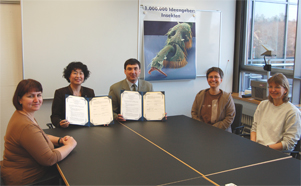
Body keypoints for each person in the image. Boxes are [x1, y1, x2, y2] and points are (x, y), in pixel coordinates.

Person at [1, 79, 77, 185]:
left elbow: (40, 136)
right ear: (19, 99)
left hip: (21, 171)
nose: (37, 100)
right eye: (31, 96)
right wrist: (70, 145)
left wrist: (60, 140)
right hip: (26, 179)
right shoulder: (26, 125)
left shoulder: (24, 114)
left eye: (39, 95)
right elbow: (49, 159)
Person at [251, 73, 301, 151]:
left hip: (276, 153)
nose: (273, 90)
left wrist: (265, 149)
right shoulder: (263, 105)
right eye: (271, 87)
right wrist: (253, 145)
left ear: (285, 90)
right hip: (258, 149)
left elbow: (288, 143)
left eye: (277, 87)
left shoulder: (293, 112)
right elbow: (254, 128)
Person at [51, 61, 95, 128]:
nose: (78, 76)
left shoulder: (89, 92)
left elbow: (94, 112)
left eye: (81, 73)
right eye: (75, 73)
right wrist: (60, 123)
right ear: (69, 76)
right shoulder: (60, 93)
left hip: (86, 129)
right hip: (67, 130)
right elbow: (55, 116)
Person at [191, 67, 235, 132]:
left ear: (221, 80)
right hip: (202, 131)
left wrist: (212, 129)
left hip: (221, 132)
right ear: (207, 79)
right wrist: (202, 126)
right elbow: (194, 113)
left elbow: (229, 117)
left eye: (216, 77)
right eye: (210, 77)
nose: (213, 79)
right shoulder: (200, 95)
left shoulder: (227, 97)